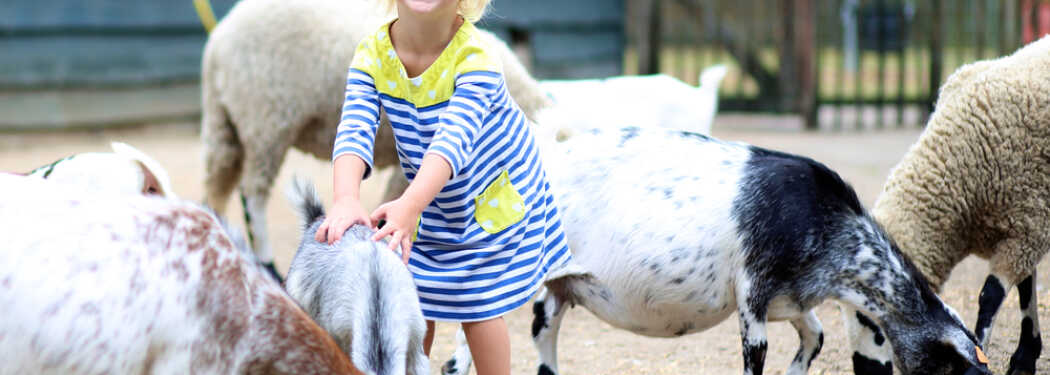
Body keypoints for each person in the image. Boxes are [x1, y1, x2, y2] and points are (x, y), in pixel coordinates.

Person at [313, 0, 575, 373]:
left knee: (478, 303)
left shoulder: (476, 58)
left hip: (488, 194)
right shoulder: (372, 54)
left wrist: (410, 204)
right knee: (413, 295)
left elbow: (451, 142)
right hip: (427, 195)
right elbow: (355, 126)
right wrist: (345, 197)